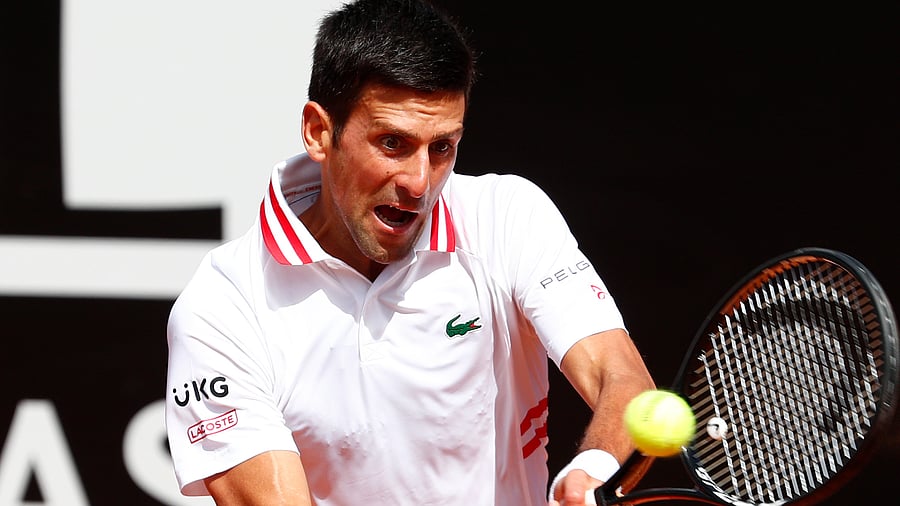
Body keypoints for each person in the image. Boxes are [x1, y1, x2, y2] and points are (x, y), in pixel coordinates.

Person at [164, 0, 656, 504]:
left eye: (442, 147)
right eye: (393, 143)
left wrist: (592, 471)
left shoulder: (509, 217)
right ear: (318, 131)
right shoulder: (222, 308)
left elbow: (622, 381)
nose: (420, 183)